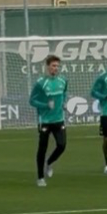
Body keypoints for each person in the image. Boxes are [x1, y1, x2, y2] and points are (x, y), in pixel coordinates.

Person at [29, 54, 68, 187]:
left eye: (57, 66)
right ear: (47, 67)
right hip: (45, 120)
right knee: (42, 148)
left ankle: (49, 163)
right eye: (53, 66)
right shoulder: (41, 83)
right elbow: (32, 100)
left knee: (62, 145)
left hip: (59, 119)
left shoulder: (63, 80)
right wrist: (45, 105)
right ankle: (40, 177)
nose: (56, 68)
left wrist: (64, 103)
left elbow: (64, 93)